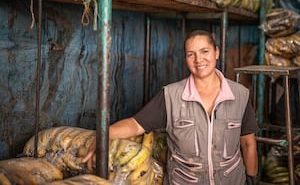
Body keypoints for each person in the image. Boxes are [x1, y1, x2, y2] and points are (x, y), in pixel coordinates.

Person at [83, 29, 259, 184]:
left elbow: (248, 143)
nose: (199, 59)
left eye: (205, 51)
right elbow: (135, 124)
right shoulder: (171, 96)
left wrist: (252, 179)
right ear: (185, 58)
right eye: (191, 54)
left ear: (217, 52)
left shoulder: (240, 94)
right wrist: (102, 138)